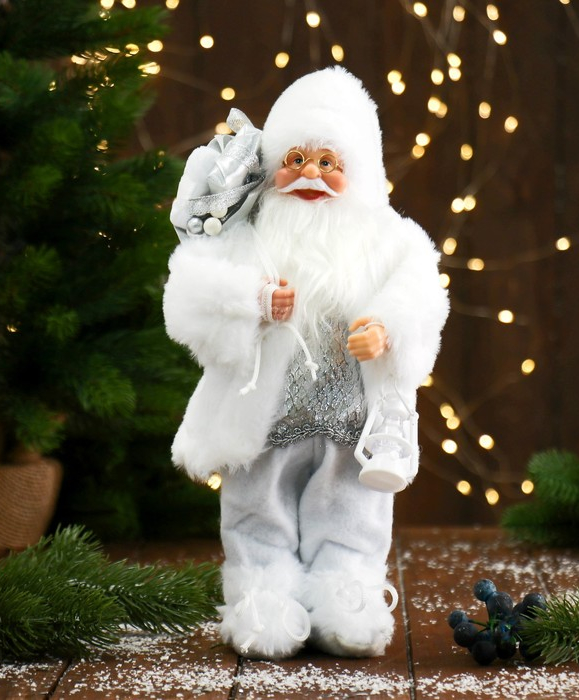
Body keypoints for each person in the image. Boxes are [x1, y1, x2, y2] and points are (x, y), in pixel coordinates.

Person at [163, 66, 449, 659]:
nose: (310, 174)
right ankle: (261, 594)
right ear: (273, 164)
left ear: (359, 168)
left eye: (328, 161)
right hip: (262, 419)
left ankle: (347, 591)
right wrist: (252, 302)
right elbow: (188, 296)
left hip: (350, 422)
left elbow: (421, 290)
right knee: (254, 510)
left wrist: (386, 327)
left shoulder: (386, 238)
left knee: (352, 510)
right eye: (295, 158)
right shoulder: (248, 232)